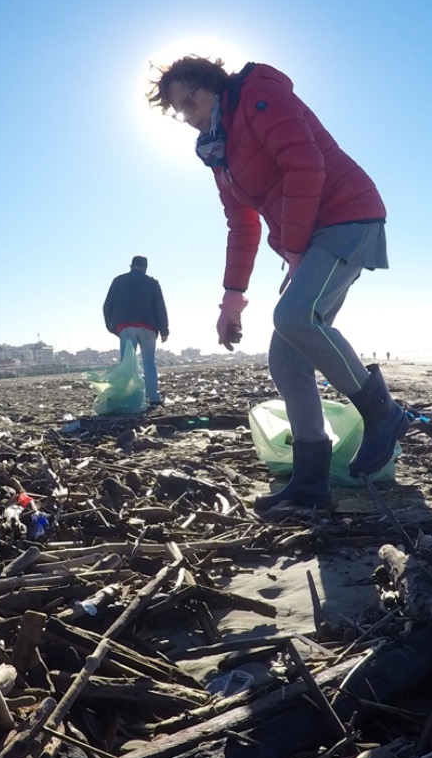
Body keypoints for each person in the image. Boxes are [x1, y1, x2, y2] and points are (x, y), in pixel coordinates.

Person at [147, 55, 410, 511]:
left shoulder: (257, 94)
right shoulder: (219, 152)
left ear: (216, 85)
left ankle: (383, 414)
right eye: (180, 110)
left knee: (294, 315)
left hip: (348, 214)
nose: (190, 115)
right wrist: (231, 300)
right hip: (309, 235)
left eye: (193, 100)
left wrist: (294, 246)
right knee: (285, 355)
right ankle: (310, 481)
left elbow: (305, 164)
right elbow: (242, 224)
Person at [102, 255, 170, 407]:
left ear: (130, 265)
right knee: (149, 363)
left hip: (125, 327)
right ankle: (153, 398)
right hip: (148, 327)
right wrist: (164, 329)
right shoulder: (152, 283)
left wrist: (112, 327)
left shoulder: (118, 281)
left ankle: (127, 398)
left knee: (127, 364)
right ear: (145, 267)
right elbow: (160, 306)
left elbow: (107, 306)